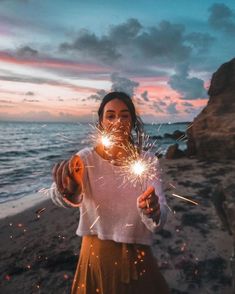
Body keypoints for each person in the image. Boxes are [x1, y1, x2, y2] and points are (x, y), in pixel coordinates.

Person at [51, 92, 170, 294]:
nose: (118, 122)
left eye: (125, 115)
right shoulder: (86, 158)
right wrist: (68, 191)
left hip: (137, 255)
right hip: (95, 255)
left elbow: (160, 213)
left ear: (132, 121)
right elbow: (58, 195)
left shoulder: (148, 161)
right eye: (111, 116)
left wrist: (152, 211)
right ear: (101, 122)